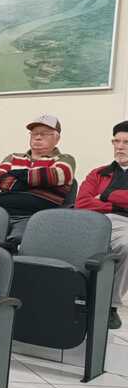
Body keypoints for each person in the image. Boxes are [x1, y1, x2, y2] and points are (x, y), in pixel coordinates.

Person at [0, 115, 76, 244]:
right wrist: (37, 183)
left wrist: (16, 175)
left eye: (44, 134)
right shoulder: (13, 157)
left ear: (57, 138)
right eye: (34, 133)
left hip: (35, 217)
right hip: (1, 213)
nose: (38, 137)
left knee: (13, 244)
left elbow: (58, 174)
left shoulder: (65, 159)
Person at [75, 121, 128, 328]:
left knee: (126, 244)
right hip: (94, 220)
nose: (120, 146)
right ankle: (76, 297)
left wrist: (105, 196)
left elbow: (95, 199)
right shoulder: (99, 173)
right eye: (116, 141)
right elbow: (82, 202)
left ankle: (109, 305)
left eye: (126, 142)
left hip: (124, 223)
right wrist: (115, 205)